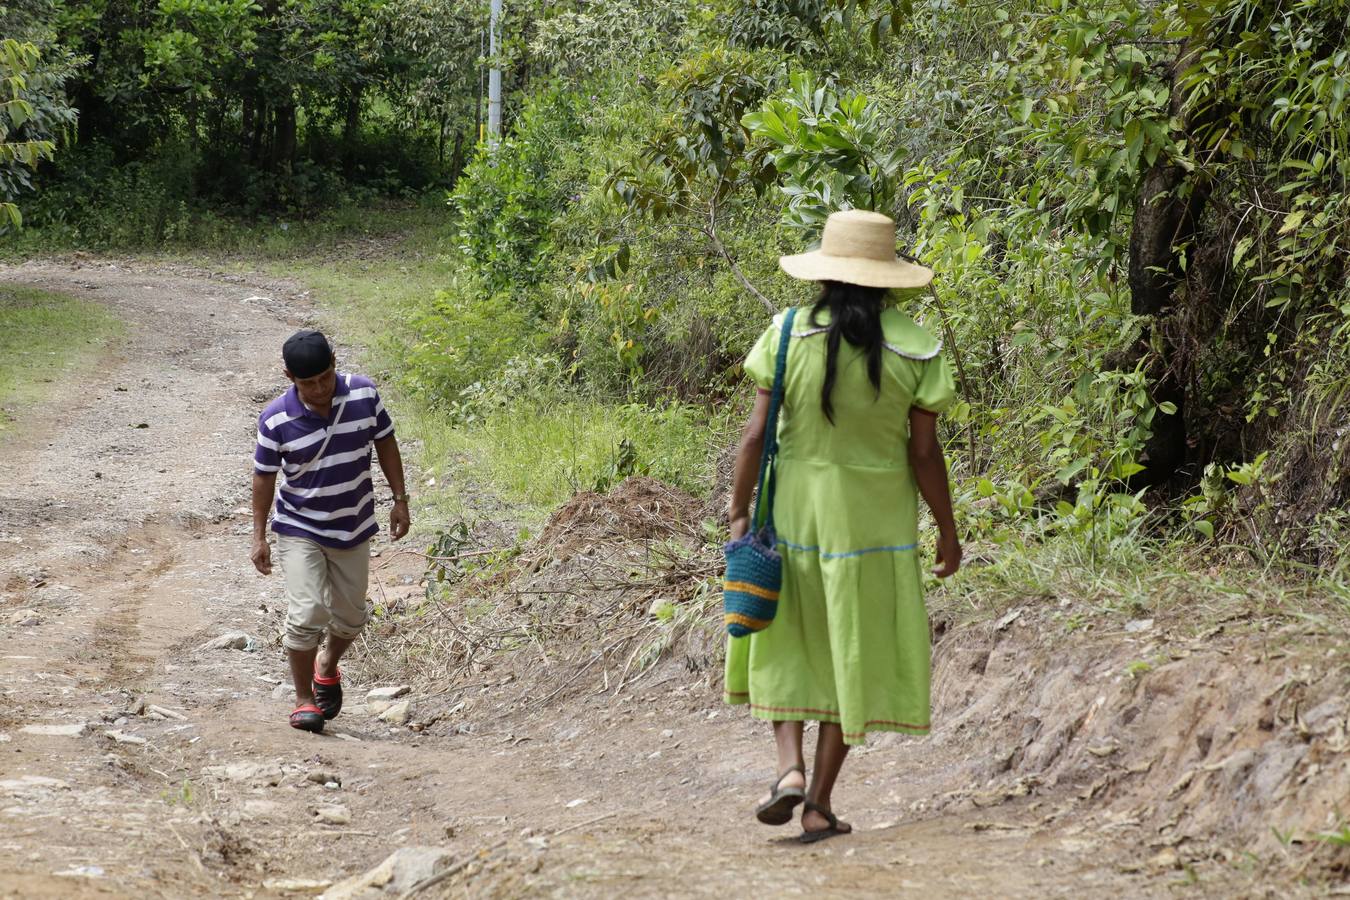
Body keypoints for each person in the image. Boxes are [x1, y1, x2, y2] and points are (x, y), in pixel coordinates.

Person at [724, 209, 962, 842]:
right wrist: (947, 528)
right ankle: (819, 805)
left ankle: (789, 769)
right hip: (873, 525)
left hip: (793, 513)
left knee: (785, 636)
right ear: (888, 278)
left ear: (825, 272)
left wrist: (740, 508)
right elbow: (923, 454)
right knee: (851, 647)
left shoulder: (786, 334)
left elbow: (754, 435)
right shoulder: (916, 345)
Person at [250, 330, 411, 733]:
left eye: (325, 377)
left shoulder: (364, 394)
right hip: (299, 526)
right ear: (289, 377)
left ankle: (327, 664)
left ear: (335, 361)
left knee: (352, 617)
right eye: (308, 383)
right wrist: (258, 536)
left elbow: (386, 442)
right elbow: (264, 477)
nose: (320, 388)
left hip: (353, 524)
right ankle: (303, 699)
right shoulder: (275, 419)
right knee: (307, 613)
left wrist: (400, 499)